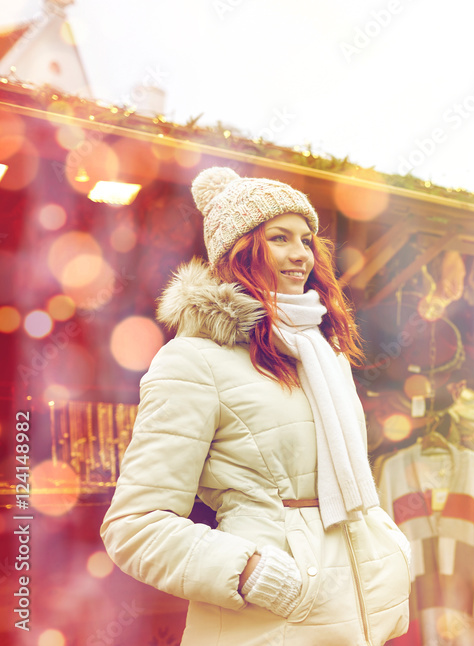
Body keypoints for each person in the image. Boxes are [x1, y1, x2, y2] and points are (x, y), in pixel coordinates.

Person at [101, 167, 411, 646]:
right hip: (267, 617)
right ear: (239, 251)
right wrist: (249, 571)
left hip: (354, 608)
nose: (300, 254)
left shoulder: (324, 353)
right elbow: (134, 526)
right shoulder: (194, 359)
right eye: (280, 238)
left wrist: (388, 541)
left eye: (306, 239)